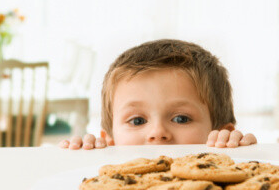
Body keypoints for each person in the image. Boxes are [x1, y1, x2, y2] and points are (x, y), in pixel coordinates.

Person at [60, 39, 257, 150]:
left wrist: (237, 152)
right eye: (137, 121)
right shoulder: (107, 155)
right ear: (110, 140)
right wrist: (86, 153)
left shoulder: (227, 152)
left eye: (181, 118)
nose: (157, 133)